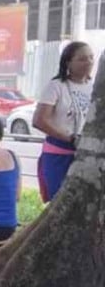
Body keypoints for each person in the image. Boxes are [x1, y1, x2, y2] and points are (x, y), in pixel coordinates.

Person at [33, 40, 95, 202]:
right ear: (68, 62)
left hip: (85, 152)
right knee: (60, 201)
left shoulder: (93, 87)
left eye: (91, 57)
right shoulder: (56, 86)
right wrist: (69, 138)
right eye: (82, 59)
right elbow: (39, 120)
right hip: (59, 153)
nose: (88, 62)